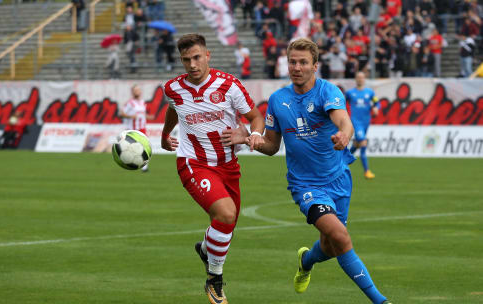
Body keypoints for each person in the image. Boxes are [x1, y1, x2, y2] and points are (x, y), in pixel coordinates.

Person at [221, 38, 391, 304]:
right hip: (306, 186)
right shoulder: (278, 100)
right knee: (340, 236)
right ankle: (381, 301)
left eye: (303, 62)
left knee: (331, 246)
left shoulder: (328, 91)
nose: (296, 67)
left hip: (339, 179)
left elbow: (344, 122)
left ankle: (306, 260)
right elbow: (272, 146)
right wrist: (248, 138)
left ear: (315, 66)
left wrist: (344, 136)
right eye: (292, 62)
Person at [161, 33, 265, 304]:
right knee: (226, 213)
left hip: (228, 166)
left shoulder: (229, 85)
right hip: (193, 163)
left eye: (197, 57)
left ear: (207, 56)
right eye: (186, 60)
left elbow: (255, 117)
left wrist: (253, 134)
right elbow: (174, 107)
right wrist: (165, 134)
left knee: (226, 225)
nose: (192, 64)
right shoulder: (173, 88)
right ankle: (214, 281)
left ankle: (206, 249)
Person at [346, 71, 379, 179]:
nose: (360, 79)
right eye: (358, 77)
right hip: (356, 121)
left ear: (364, 79)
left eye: (362, 77)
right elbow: (341, 103)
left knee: (356, 144)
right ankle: (367, 171)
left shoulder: (370, 93)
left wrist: (376, 108)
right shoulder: (350, 93)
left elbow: (377, 103)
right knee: (363, 142)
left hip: (366, 121)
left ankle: (343, 160)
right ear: (355, 79)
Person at [119, 85, 154, 172]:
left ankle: (144, 167)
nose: (137, 92)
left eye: (138, 90)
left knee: (145, 147)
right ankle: (135, 165)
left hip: (142, 128)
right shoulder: (130, 103)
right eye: (135, 90)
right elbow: (122, 114)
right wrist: (131, 116)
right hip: (134, 129)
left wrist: (148, 117)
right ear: (132, 92)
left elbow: (142, 115)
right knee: (135, 149)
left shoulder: (142, 102)